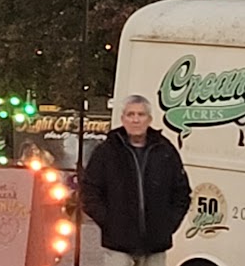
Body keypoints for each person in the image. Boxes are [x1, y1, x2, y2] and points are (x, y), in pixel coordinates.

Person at [82, 95, 191, 266]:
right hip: (118, 246)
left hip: (155, 246)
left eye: (141, 115)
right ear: (122, 119)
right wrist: (109, 222)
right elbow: (89, 191)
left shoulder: (165, 150)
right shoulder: (106, 151)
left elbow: (181, 193)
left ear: (149, 119)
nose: (135, 120)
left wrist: (168, 225)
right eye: (130, 114)